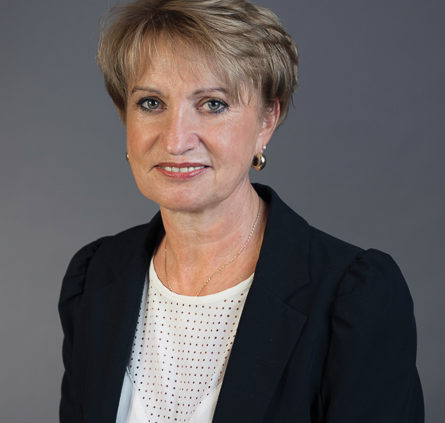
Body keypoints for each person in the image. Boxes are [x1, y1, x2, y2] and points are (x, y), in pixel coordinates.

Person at [58, 0, 424, 422]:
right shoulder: (94, 277)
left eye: (213, 104)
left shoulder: (354, 297)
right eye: (151, 103)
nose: (175, 140)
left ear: (267, 120)